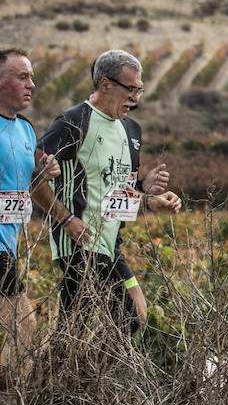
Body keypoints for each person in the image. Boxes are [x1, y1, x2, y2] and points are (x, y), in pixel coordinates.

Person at [32, 50, 181, 336]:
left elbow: (119, 192)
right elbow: (35, 178)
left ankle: (72, 374)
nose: (136, 98)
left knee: (131, 316)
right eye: (130, 89)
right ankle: (75, 376)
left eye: (139, 90)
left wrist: (148, 196)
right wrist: (66, 220)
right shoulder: (72, 121)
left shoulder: (132, 130)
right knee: (122, 318)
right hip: (79, 243)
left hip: (111, 245)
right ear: (105, 85)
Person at [0, 49, 59, 381]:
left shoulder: (24, 129)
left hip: (10, 245)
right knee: (24, 325)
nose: (31, 85)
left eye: (32, 77)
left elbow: (23, 187)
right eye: (22, 77)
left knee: (20, 326)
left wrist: (42, 173)